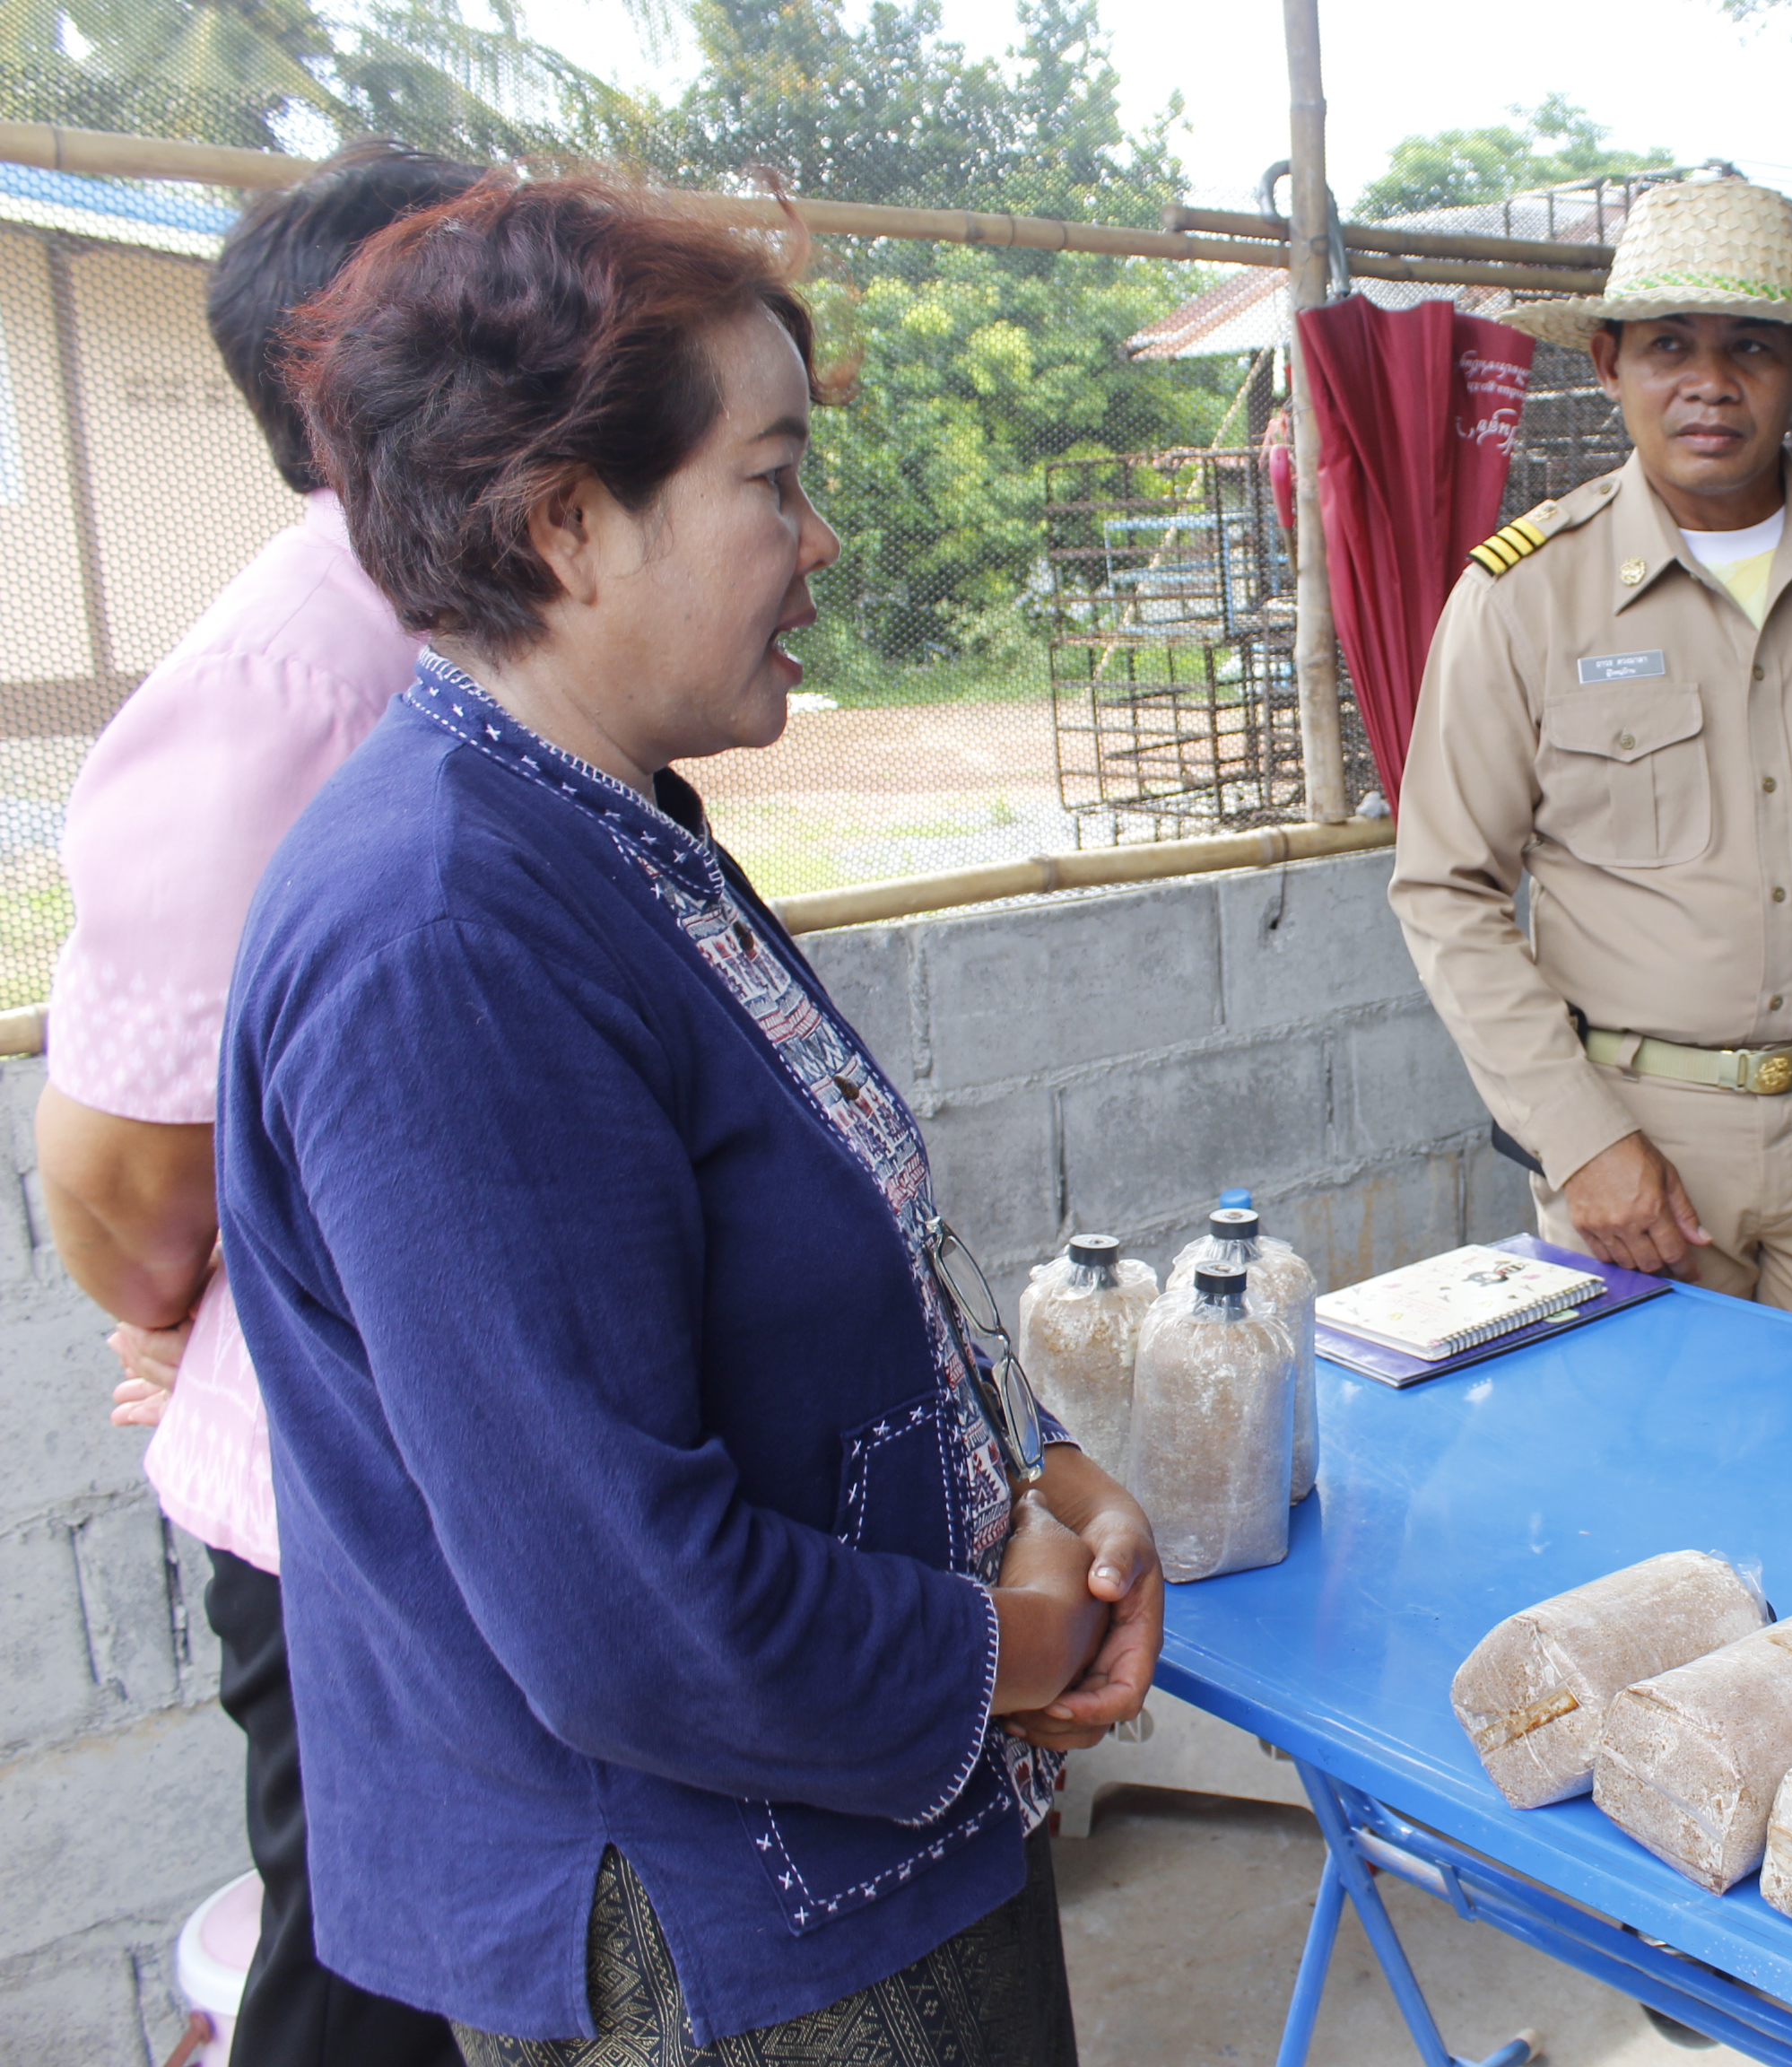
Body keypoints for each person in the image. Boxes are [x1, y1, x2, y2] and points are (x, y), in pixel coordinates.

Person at [218, 175, 1156, 2061]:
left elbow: (836, 1288)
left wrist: (1050, 1481)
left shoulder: (604, 826)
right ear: (565, 522)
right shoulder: (443, 939)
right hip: (739, 1938)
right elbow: (623, 1606)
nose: (821, 541)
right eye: (773, 481)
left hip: (856, 1842)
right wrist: (1007, 1645)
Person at [32, 138, 480, 2067]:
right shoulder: (293, 676)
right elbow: (131, 1188)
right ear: (351, 382)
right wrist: (203, 1313)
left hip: (473, 1467)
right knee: (369, 1968)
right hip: (347, 1509)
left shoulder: (478, 615)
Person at [1390, 175, 1792, 1348]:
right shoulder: (1527, 596)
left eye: (1749, 345)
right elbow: (1447, 891)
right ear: (1609, 364)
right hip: (1637, 1150)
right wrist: (1579, 1138)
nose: (1709, 381)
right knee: (1651, 1456)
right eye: (1668, 346)